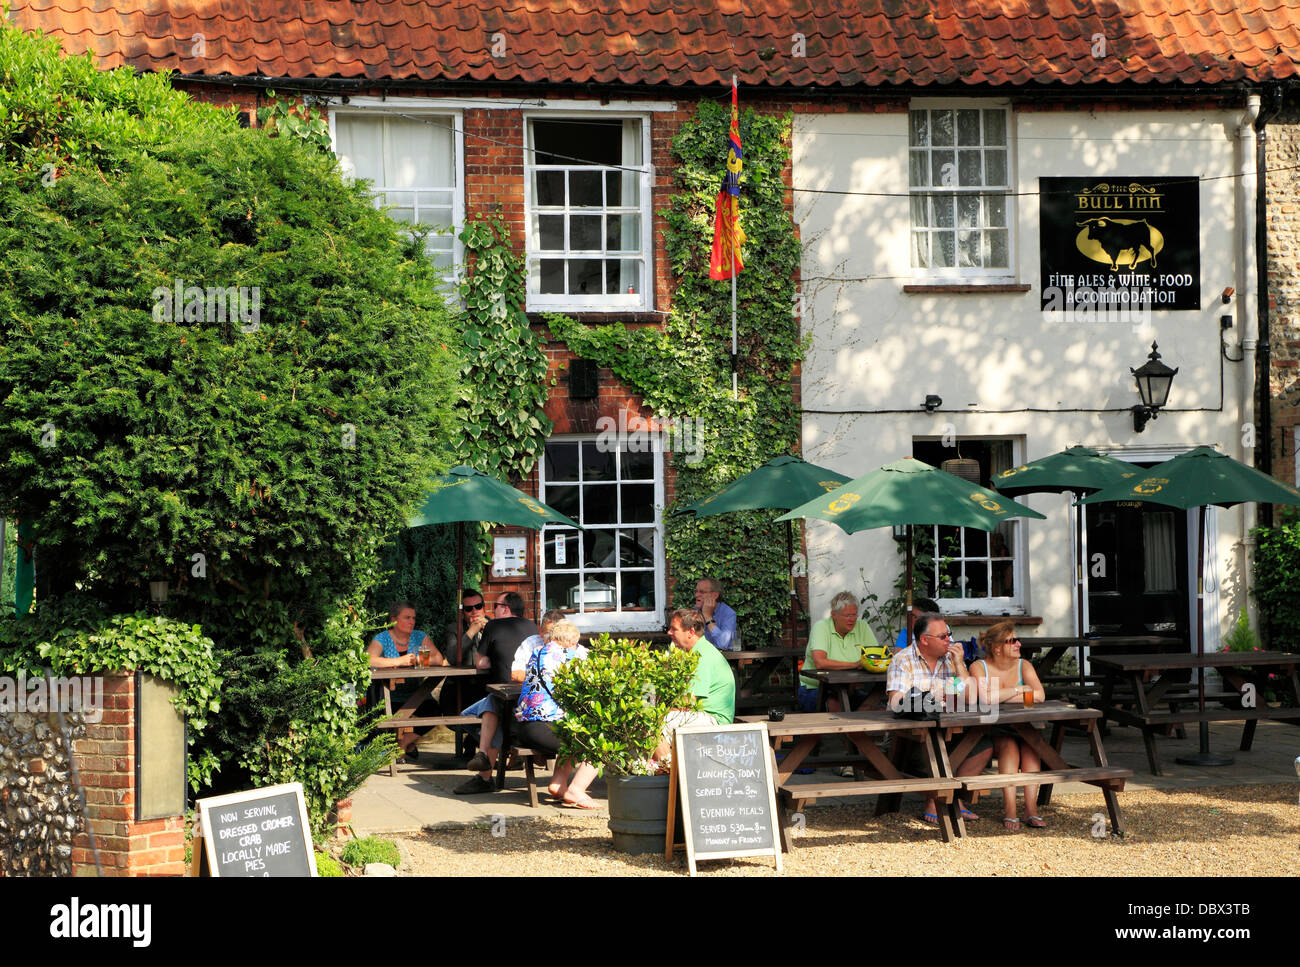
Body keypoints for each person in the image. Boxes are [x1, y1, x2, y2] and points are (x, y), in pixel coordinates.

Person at [886, 611, 993, 824]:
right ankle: (937, 800)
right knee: (934, 748)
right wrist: (931, 698)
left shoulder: (951, 659)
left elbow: (971, 698)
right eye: (943, 636)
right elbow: (895, 702)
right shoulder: (903, 660)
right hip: (913, 735)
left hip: (949, 730)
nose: (949, 640)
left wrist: (961, 664)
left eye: (949, 634)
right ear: (924, 640)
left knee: (985, 745)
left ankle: (952, 798)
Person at [454, 592, 539, 795]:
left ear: (506, 608)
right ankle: (492, 764)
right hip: (531, 700)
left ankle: (485, 773)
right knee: (492, 714)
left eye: (496, 605)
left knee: (469, 716)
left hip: (506, 699)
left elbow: (481, 663)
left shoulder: (493, 626)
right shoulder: (533, 627)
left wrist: (494, 659)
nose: (493, 610)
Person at [515, 619, 600, 808]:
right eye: (575, 643)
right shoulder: (569, 657)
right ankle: (576, 790)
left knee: (569, 728)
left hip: (525, 727)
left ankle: (558, 784)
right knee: (599, 743)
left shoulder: (536, 653)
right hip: (544, 728)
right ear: (571, 642)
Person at [970, 621, 1047, 831]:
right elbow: (985, 699)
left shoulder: (1024, 665)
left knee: (1032, 748)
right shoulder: (979, 667)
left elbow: (1039, 696)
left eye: (1017, 640)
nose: (1018, 644)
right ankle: (1010, 809)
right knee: (1009, 747)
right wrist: (1019, 689)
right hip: (993, 727)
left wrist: (1003, 696)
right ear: (997, 648)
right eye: (1012, 641)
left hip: (1024, 725)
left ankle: (1031, 809)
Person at [651, 609, 736, 766]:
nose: (669, 632)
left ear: (690, 632)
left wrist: (657, 711)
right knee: (647, 721)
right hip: (700, 715)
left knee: (651, 725)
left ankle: (674, 776)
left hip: (713, 720)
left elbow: (688, 702)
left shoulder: (701, 655)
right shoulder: (692, 652)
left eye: (674, 629)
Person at [367, 602, 446, 760]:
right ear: (394, 620)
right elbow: (368, 660)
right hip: (390, 697)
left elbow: (438, 659)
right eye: (407, 618)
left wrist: (419, 659)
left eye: (413, 618)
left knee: (435, 712)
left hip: (417, 694)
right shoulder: (382, 638)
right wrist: (399, 661)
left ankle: (402, 745)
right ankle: (405, 746)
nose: (412, 621)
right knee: (386, 719)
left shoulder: (419, 636)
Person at [797, 591, 879, 713]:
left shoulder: (862, 627)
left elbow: (875, 657)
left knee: (880, 700)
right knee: (837, 705)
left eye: (854, 615)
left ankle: (855, 727)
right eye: (847, 616)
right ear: (834, 615)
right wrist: (854, 665)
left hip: (850, 689)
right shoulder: (821, 627)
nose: (852, 619)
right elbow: (820, 662)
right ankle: (854, 729)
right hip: (816, 689)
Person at [444, 588, 490, 667]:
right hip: (463, 678)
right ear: (462, 613)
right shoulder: (454, 628)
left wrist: (489, 631)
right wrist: (471, 632)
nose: (474, 611)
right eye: (469, 609)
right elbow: (452, 659)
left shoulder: (494, 626)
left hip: (489, 678)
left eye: (478, 606)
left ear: (484, 608)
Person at [694, 577, 738, 651]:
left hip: (722, 659)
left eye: (702, 592)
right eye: (696, 591)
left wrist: (708, 617)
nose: (696, 595)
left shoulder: (728, 614)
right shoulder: (693, 611)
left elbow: (722, 645)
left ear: (715, 596)